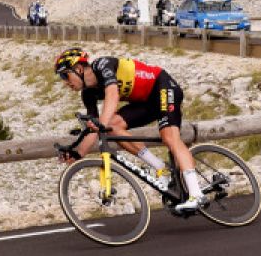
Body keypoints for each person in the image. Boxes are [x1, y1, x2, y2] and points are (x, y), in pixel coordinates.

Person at [54, 47, 207, 211]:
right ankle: (160, 167)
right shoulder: (88, 95)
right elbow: (96, 128)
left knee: (170, 138)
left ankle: (197, 194)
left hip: (162, 86)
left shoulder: (102, 65)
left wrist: (101, 124)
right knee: (111, 127)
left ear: (78, 69)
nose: (65, 82)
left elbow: (112, 95)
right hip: (145, 103)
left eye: (65, 75)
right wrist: (78, 154)